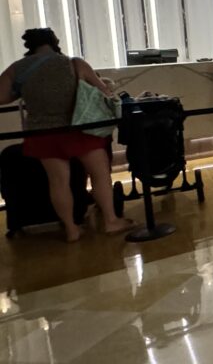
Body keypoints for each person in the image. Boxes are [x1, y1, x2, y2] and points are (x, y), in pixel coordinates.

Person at [0, 28, 133, 241]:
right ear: (55, 43)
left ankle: (71, 229)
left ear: (29, 46)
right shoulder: (74, 63)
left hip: (43, 134)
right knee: (100, 175)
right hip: (78, 129)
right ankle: (111, 221)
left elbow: (2, 96)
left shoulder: (17, 69)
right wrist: (106, 85)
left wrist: (26, 90)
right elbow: (103, 91)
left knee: (58, 182)